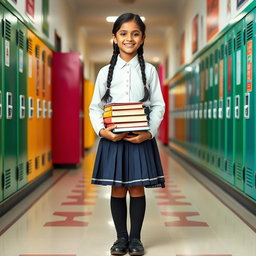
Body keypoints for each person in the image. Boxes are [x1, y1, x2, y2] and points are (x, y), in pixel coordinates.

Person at [89, 13, 165, 256]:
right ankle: (120, 238)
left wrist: (149, 133)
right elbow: (95, 108)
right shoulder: (105, 72)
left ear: (142, 39)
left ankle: (136, 239)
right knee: (117, 189)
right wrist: (102, 131)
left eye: (135, 33)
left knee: (137, 188)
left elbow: (158, 105)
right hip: (113, 139)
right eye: (123, 33)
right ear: (114, 37)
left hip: (140, 138)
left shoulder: (150, 71)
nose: (129, 38)